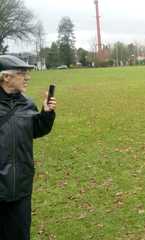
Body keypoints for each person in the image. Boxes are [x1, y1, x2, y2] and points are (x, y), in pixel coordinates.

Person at [0, 55, 56, 240]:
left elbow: (36, 130)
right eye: (22, 73)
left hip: (21, 186)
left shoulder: (27, 103)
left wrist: (46, 114)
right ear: (6, 77)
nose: (27, 77)